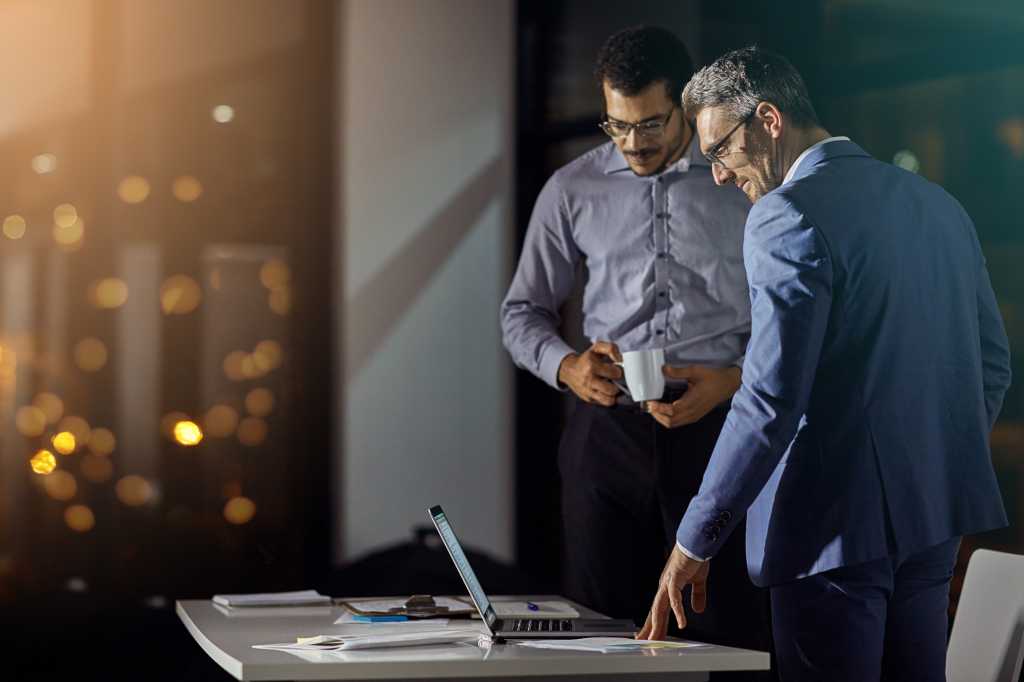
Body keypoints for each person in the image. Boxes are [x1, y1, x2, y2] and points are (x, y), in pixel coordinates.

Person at [639, 46, 1012, 682]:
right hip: (932, 527)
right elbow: (991, 364)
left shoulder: (785, 216)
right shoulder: (939, 206)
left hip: (828, 536)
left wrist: (694, 539)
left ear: (768, 120)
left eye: (721, 150)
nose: (721, 176)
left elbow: (769, 402)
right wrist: (930, 462)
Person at [501, 26, 770, 653]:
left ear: (685, 104)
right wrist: (567, 366)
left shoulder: (743, 184)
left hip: (721, 429)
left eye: (650, 124)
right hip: (607, 434)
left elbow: (789, 319)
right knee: (600, 633)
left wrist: (734, 379)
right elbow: (520, 312)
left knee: (724, 631)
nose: (633, 143)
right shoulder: (572, 189)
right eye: (617, 126)